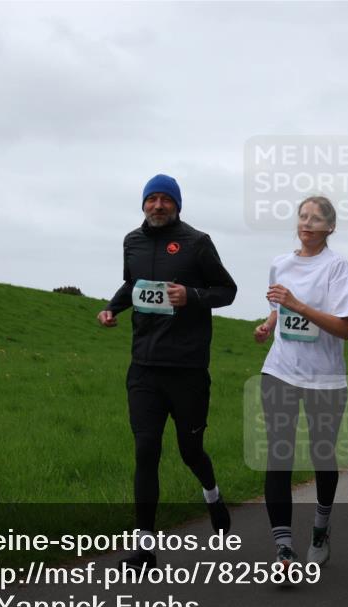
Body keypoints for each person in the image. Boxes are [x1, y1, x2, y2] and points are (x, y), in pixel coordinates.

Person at [98, 174, 237, 570]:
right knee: (146, 451)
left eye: (165, 199)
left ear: (177, 204)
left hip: (188, 369)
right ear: (143, 204)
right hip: (144, 367)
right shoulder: (132, 242)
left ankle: (212, 494)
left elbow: (227, 291)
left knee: (190, 451)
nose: (158, 205)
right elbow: (132, 284)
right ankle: (145, 549)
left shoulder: (198, 242)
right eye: (151, 199)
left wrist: (190, 296)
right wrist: (113, 307)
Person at [253, 195, 348, 569]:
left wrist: (298, 306)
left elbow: (345, 328)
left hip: (324, 379)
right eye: (302, 216)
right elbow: (279, 308)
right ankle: (283, 549)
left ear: (330, 227)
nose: (307, 223)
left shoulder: (337, 268)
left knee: (321, 455)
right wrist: (268, 324)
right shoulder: (280, 264)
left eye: (316, 219)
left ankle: (320, 528)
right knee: (278, 454)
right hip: (280, 370)